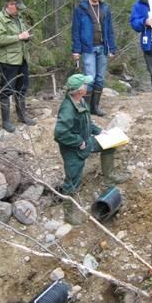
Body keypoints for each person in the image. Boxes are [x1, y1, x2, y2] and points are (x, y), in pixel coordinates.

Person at [54, 73, 128, 224]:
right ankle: (69, 214)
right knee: (72, 181)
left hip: (87, 141)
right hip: (73, 150)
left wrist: (99, 131)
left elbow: (87, 121)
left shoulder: (80, 100)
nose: (87, 86)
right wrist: (77, 141)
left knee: (109, 145)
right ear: (80, 90)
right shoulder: (68, 109)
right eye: (85, 85)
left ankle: (110, 176)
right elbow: (59, 134)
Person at [72, 0, 117, 117]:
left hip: (102, 48)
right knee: (89, 78)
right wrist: (76, 50)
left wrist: (112, 48)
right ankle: (85, 108)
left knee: (100, 79)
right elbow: (75, 30)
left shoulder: (105, 9)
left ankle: (95, 107)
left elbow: (109, 30)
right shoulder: (80, 9)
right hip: (88, 49)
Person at [0, 0, 36, 133]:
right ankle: (6, 122)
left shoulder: (18, 18)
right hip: (8, 61)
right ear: (10, 4)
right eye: (17, 7)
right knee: (6, 90)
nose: (19, 10)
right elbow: (0, 39)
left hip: (22, 58)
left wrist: (26, 37)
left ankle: (22, 116)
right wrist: (19, 37)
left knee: (22, 88)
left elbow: (22, 35)